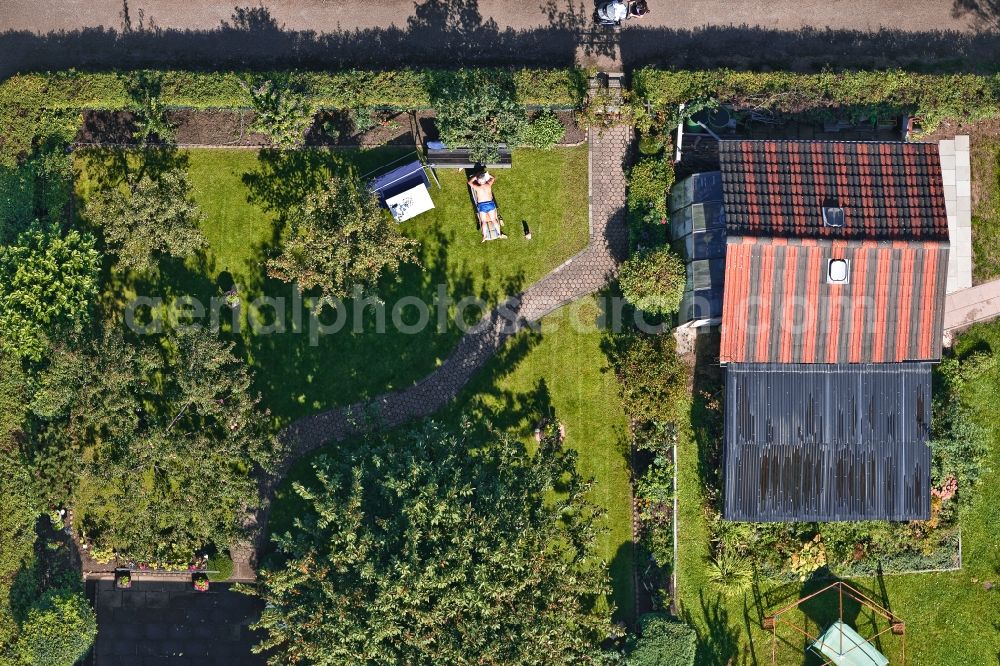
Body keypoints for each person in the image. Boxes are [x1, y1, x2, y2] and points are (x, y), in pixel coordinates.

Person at [468, 172, 507, 241]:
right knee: (494, 220)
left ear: (479, 181)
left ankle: (485, 236)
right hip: (490, 204)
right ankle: (499, 233)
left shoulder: (478, 187)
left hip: (482, 205)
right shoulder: (488, 184)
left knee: (483, 221)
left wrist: (475, 176)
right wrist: (488, 175)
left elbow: (469, 182)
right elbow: (493, 178)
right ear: (485, 179)